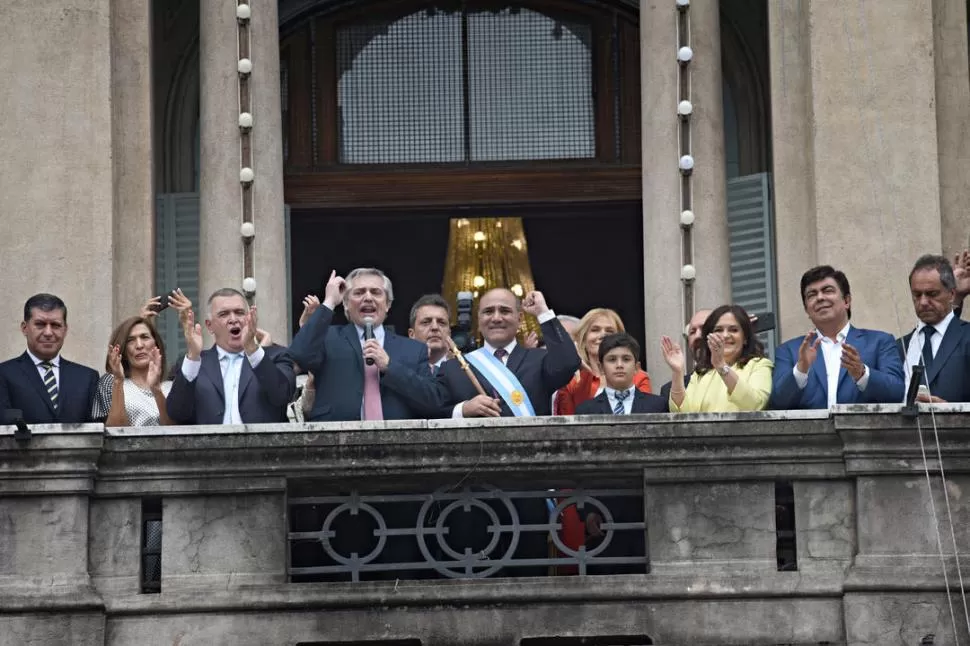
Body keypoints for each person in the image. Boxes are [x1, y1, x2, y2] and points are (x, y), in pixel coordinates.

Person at [288, 268, 435, 421]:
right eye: (359, 293)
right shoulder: (327, 337)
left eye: (376, 292)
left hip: (396, 440)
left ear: (388, 305)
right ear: (345, 304)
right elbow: (299, 356)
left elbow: (431, 400)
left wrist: (389, 366)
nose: (368, 298)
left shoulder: (414, 349)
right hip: (336, 439)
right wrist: (329, 301)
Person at [771, 265, 904, 409]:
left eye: (827, 291)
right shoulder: (788, 351)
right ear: (807, 310)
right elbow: (777, 403)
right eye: (812, 295)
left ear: (846, 301)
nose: (820, 298)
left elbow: (897, 393)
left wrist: (862, 374)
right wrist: (800, 370)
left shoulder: (880, 342)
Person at [436, 288, 580, 418]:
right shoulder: (452, 368)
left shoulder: (540, 360)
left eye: (505, 311)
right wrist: (463, 410)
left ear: (520, 319)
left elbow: (569, 363)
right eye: (488, 312)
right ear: (478, 321)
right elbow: (434, 412)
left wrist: (542, 311)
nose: (497, 318)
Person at [166, 288, 296, 424]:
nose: (233, 319)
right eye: (223, 314)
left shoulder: (276, 355)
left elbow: (282, 396)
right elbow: (177, 413)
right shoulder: (193, 363)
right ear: (209, 326)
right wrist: (193, 355)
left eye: (239, 313)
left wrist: (252, 348)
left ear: (250, 318)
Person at [0, 293, 98, 424]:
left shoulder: (87, 378)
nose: (48, 333)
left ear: (65, 329)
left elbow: (98, 433)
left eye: (55, 325)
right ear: (25, 328)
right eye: (40, 324)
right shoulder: (4, 374)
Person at [661, 304, 773, 412]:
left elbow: (754, 405)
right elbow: (680, 412)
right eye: (718, 330)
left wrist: (721, 366)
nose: (725, 335)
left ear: (745, 338)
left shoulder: (759, 365)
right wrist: (677, 372)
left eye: (733, 330)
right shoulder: (702, 372)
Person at [898, 254, 970, 403]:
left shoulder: (966, 337)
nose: (923, 302)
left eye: (932, 294)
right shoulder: (898, 347)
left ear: (951, 294)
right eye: (917, 295)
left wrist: (952, 413)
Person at [554, 308, 652, 416]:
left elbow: (645, 418)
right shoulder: (572, 382)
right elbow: (566, 425)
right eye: (595, 330)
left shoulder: (638, 377)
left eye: (609, 331)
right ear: (583, 338)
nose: (602, 335)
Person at [92, 316, 173, 426]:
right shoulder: (111, 383)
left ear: (156, 343)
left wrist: (156, 389)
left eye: (145, 337)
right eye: (130, 340)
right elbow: (115, 433)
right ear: (123, 350)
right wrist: (118, 381)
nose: (139, 345)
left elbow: (177, 433)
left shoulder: (172, 387)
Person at [576, 333, 667, 414]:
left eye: (626, 359)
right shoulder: (585, 411)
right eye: (612, 359)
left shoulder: (658, 406)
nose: (619, 365)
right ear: (601, 368)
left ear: (636, 367)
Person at [659, 308, 711, 402]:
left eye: (704, 329)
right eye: (692, 332)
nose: (697, 336)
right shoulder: (668, 391)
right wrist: (677, 371)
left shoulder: (738, 379)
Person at [407, 294, 452, 374]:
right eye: (426, 322)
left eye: (441, 322)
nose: (435, 327)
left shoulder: (465, 371)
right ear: (411, 334)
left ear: (449, 333)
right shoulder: (401, 372)